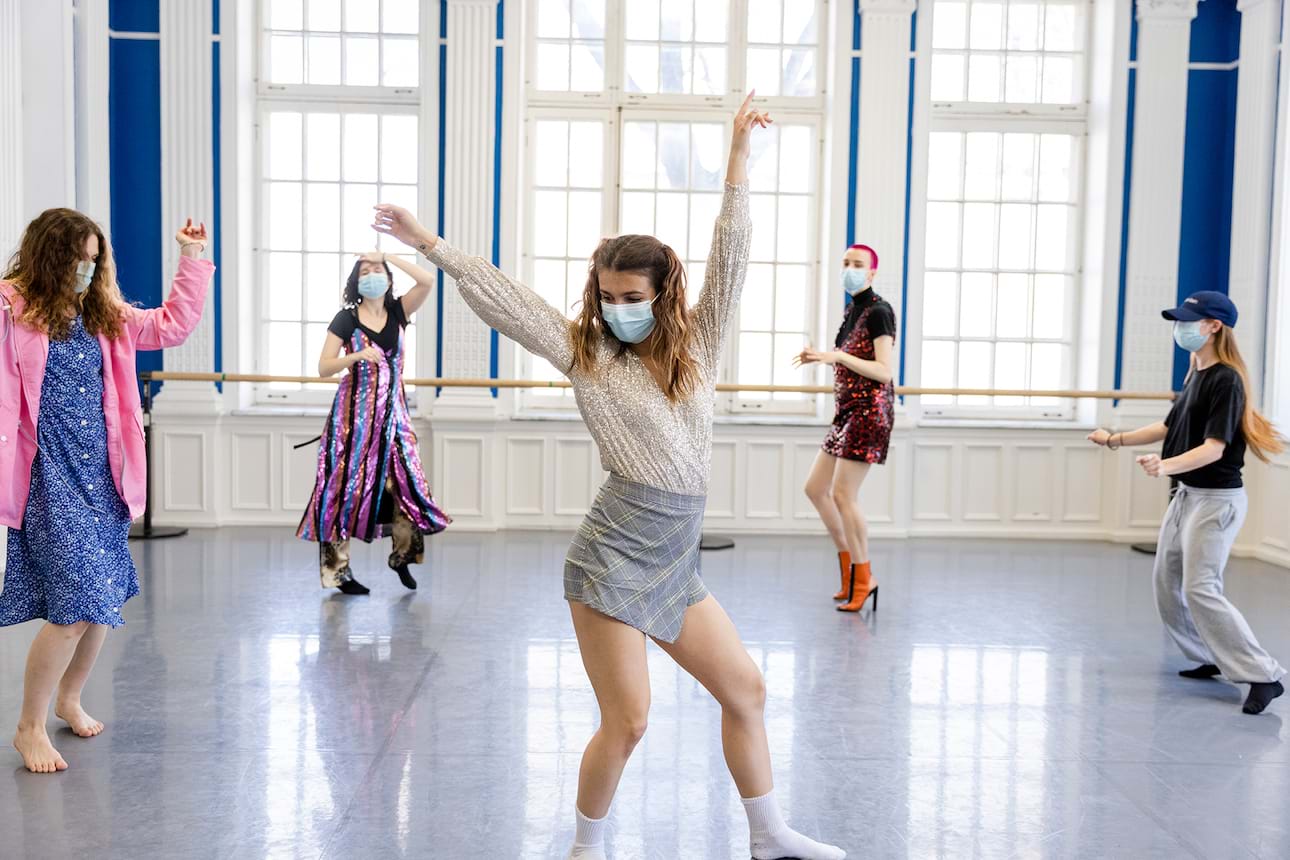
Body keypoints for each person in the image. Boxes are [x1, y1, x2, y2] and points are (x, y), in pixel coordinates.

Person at [374, 92, 845, 860]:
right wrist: (429, 242)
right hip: (612, 556)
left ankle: (768, 835)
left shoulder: (699, 345)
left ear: (662, 296)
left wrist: (737, 158)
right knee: (628, 720)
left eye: (633, 298)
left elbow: (731, 254)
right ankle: (583, 850)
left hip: (674, 562)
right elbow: (507, 300)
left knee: (747, 692)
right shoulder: (585, 352)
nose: (618, 308)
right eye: (607, 296)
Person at [0, 209, 214, 773]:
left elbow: (171, 326)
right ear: (49, 257)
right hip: (47, 474)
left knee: (103, 599)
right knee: (75, 605)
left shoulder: (104, 313)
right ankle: (28, 727)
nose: (86, 270)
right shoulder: (9, 307)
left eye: (94, 260)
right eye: (77, 259)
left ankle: (68, 698)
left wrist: (191, 258)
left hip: (102, 475)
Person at [1088, 290, 1286, 715]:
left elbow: (1215, 448)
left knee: (1201, 587)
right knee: (1167, 583)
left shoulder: (1227, 380)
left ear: (1214, 326)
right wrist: (1114, 439)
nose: (1180, 328)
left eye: (1188, 321)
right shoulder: (1195, 371)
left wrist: (1164, 466)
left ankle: (1263, 675)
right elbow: (1167, 426)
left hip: (1216, 501)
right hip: (1187, 495)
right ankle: (1210, 654)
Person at [298, 251, 450, 595]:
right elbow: (324, 367)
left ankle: (402, 556)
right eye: (365, 271)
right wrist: (354, 356)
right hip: (352, 420)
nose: (371, 275)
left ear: (388, 277)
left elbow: (427, 280)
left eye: (377, 270)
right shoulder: (346, 319)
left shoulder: (399, 312)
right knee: (339, 490)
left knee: (408, 484)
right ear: (356, 281)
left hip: (394, 417)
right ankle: (338, 572)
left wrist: (388, 255)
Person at [795, 244, 895, 612]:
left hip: (868, 412)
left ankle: (864, 577)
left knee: (843, 494)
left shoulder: (880, 312)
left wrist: (836, 355)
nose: (850, 269)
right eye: (846, 263)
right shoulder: (853, 310)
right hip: (846, 412)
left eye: (858, 264)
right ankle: (849, 569)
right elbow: (851, 361)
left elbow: (883, 371)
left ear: (872, 273)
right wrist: (824, 357)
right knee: (815, 488)